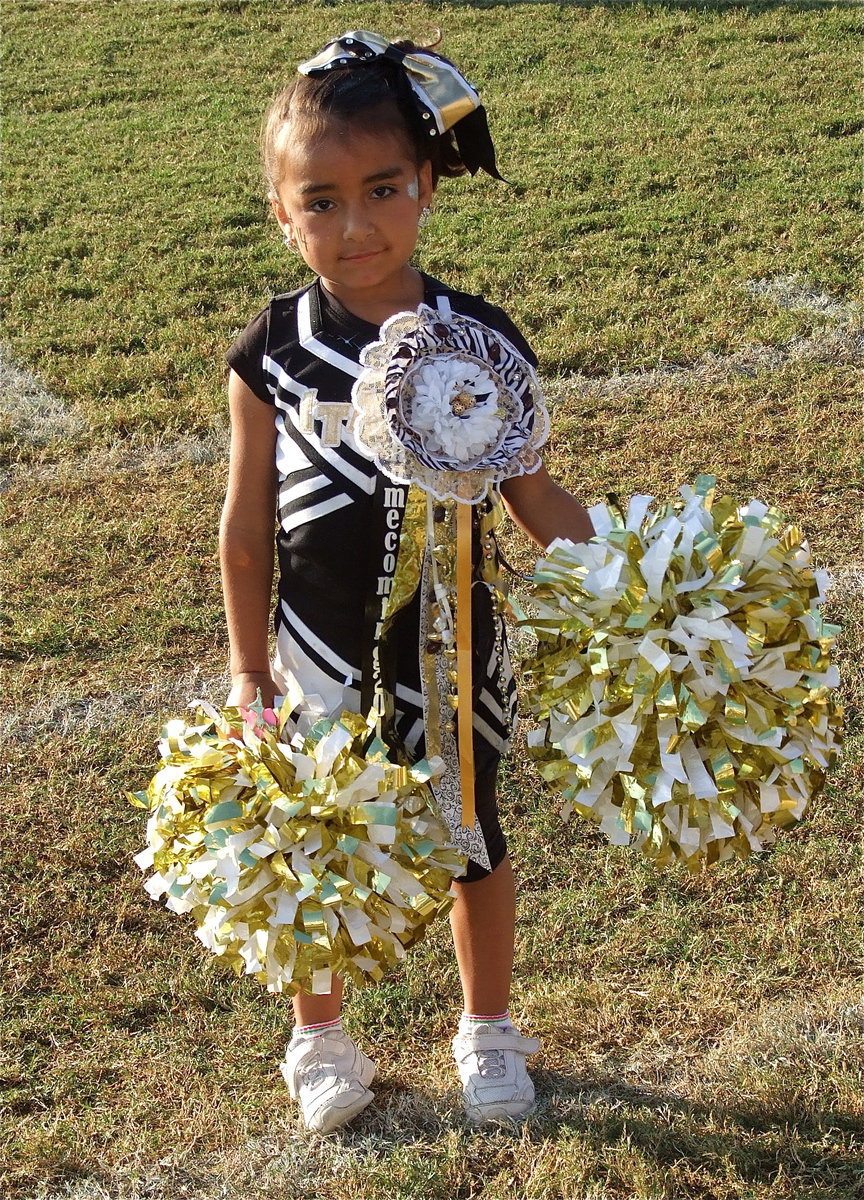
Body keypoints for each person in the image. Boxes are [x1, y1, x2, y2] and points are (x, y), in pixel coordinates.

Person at [220, 31, 594, 1134]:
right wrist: (249, 675)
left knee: (470, 833)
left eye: (383, 190)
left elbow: (532, 494)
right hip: (315, 649)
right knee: (317, 835)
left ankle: (487, 1028)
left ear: (428, 185)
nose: (357, 226)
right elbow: (245, 529)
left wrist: (624, 576)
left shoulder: (478, 338)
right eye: (321, 201)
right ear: (282, 213)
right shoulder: (273, 351)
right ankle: (320, 1034)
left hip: (454, 640)